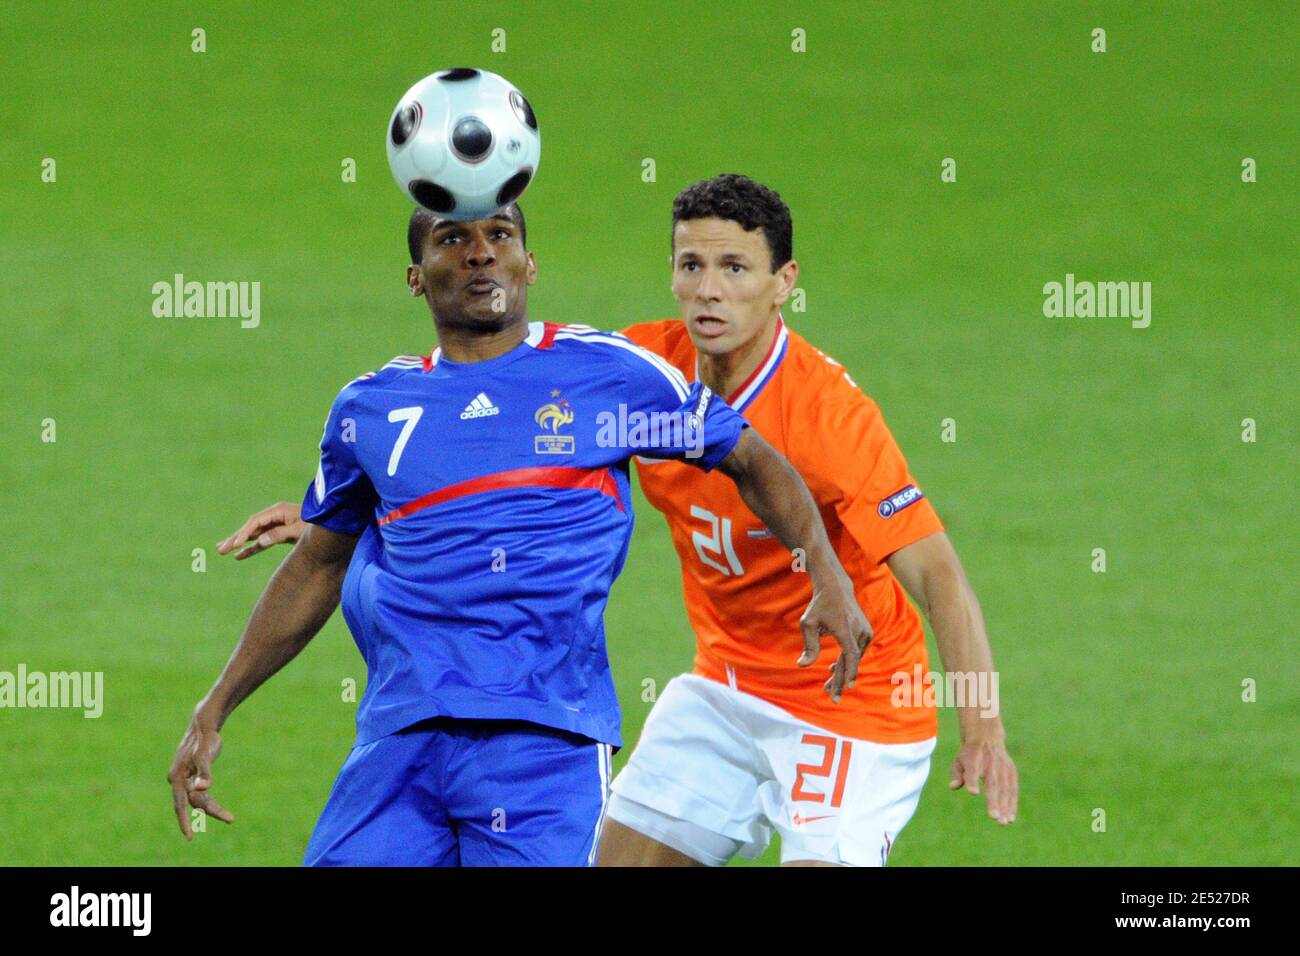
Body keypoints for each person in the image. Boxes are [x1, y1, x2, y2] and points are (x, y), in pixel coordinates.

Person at [169, 200, 873, 866]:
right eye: (453, 239)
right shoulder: (372, 407)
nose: (480, 254)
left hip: (546, 750)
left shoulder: (606, 376)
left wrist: (827, 572)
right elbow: (320, 563)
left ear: (530, 264)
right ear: (416, 279)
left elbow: (750, 457)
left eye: (500, 236)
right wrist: (215, 706)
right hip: (399, 742)